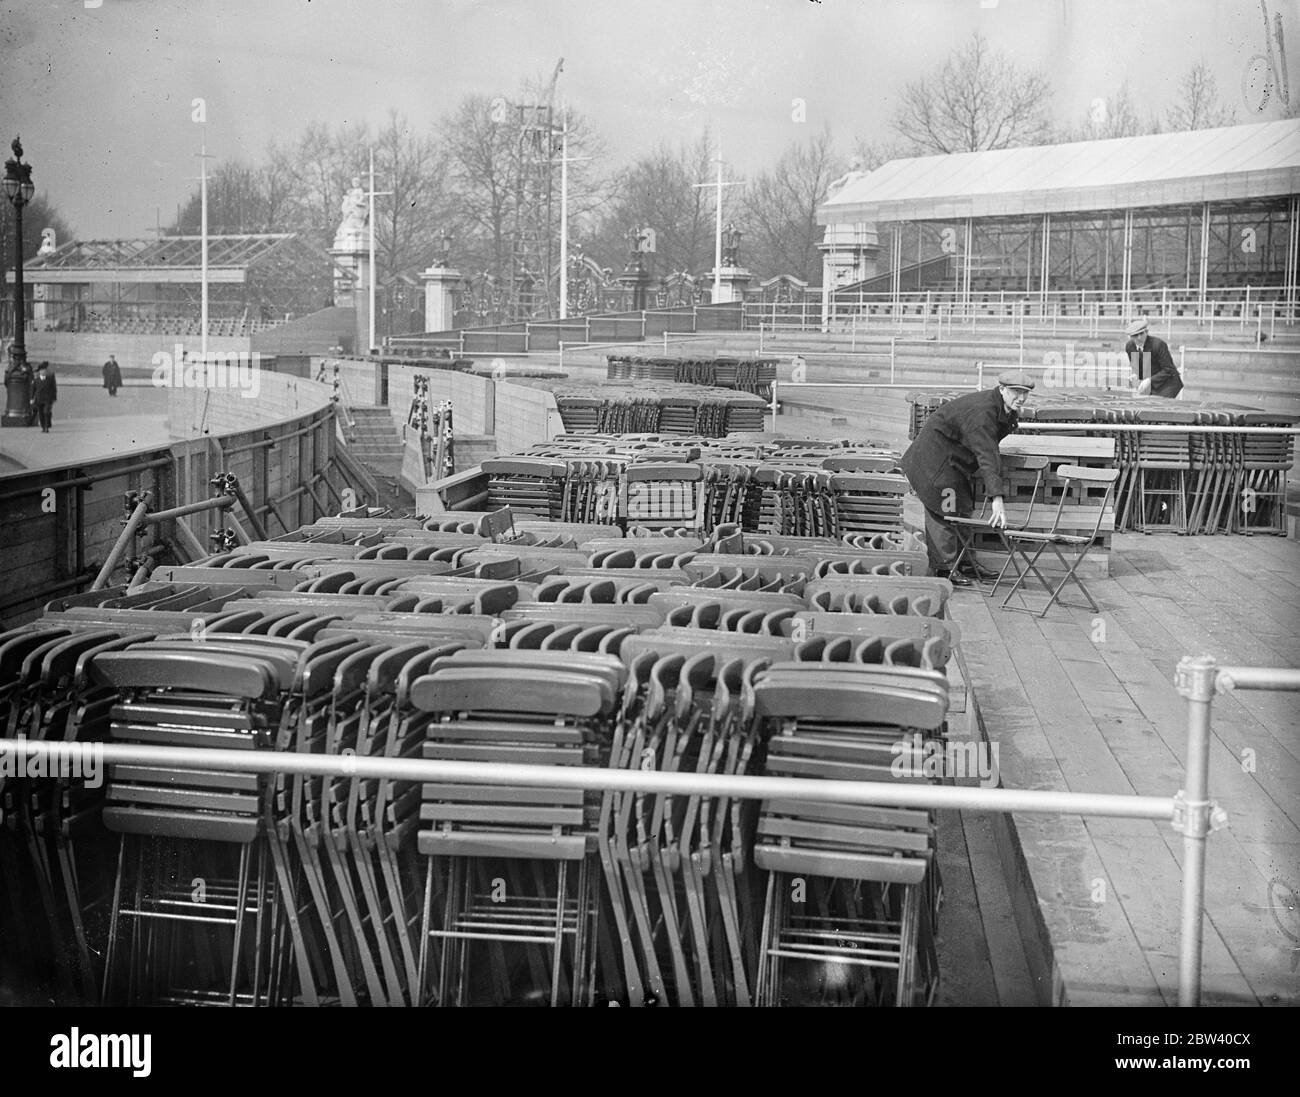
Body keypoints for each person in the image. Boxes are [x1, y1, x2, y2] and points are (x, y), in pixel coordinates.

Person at [899, 372, 1034, 585]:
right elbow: (987, 454)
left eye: (1025, 393)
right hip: (935, 463)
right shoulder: (983, 413)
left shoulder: (1003, 407)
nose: (1022, 398)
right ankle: (945, 570)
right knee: (945, 513)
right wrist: (996, 498)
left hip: (955, 462)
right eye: (1017, 392)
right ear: (1002, 389)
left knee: (961, 509)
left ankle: (965, 563)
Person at [1125, 317, 1183, 398]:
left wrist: (1150, 380)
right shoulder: (1130, 347)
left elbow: (1168, 369)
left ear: (1147, 332)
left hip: (1168, 383)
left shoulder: (1158, 344)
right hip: (1152, 383)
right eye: (1135, 335)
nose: (1139, 337)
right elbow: (1137, 368)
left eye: (1141, 334)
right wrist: (1135, 375)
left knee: (1158, 405)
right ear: (1130, 337)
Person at [31, 361, 57, 433]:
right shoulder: (36, 380)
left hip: (48, 399)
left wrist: (54, 397)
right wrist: (32, 398)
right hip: (39, 399)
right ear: (39, 372)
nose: (43, 371)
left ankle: (46, 427)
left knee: (46, 412)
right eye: (42, 370)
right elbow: (33, 390)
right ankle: (43, 426)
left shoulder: (50, 378)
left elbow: (53, 388)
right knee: (41, 414)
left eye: (44, 370)